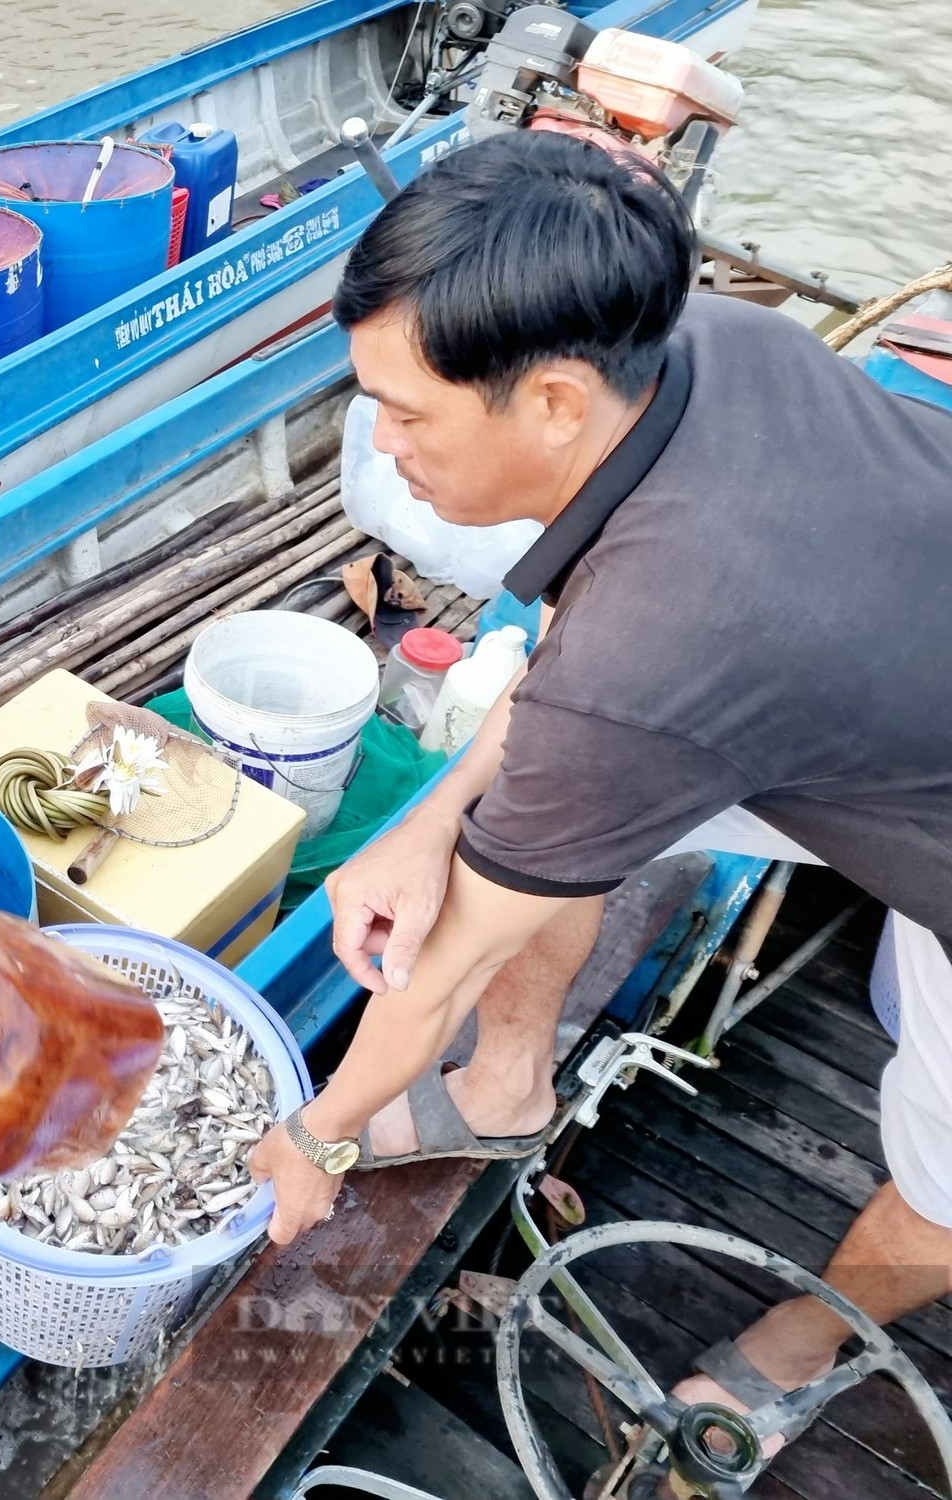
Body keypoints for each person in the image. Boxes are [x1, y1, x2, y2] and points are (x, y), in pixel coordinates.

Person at [245, 130, 952, 1463]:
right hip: (876, 681)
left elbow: (440, 967)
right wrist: (426, 818)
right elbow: (578, 675)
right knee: (525, 837)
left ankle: (783, 1361)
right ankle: (508, 1089)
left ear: (557, 402)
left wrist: (316, 1136)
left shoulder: (662, 653)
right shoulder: (703, 347)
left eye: (407, 416)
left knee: (946, 1184)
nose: (382, 448)